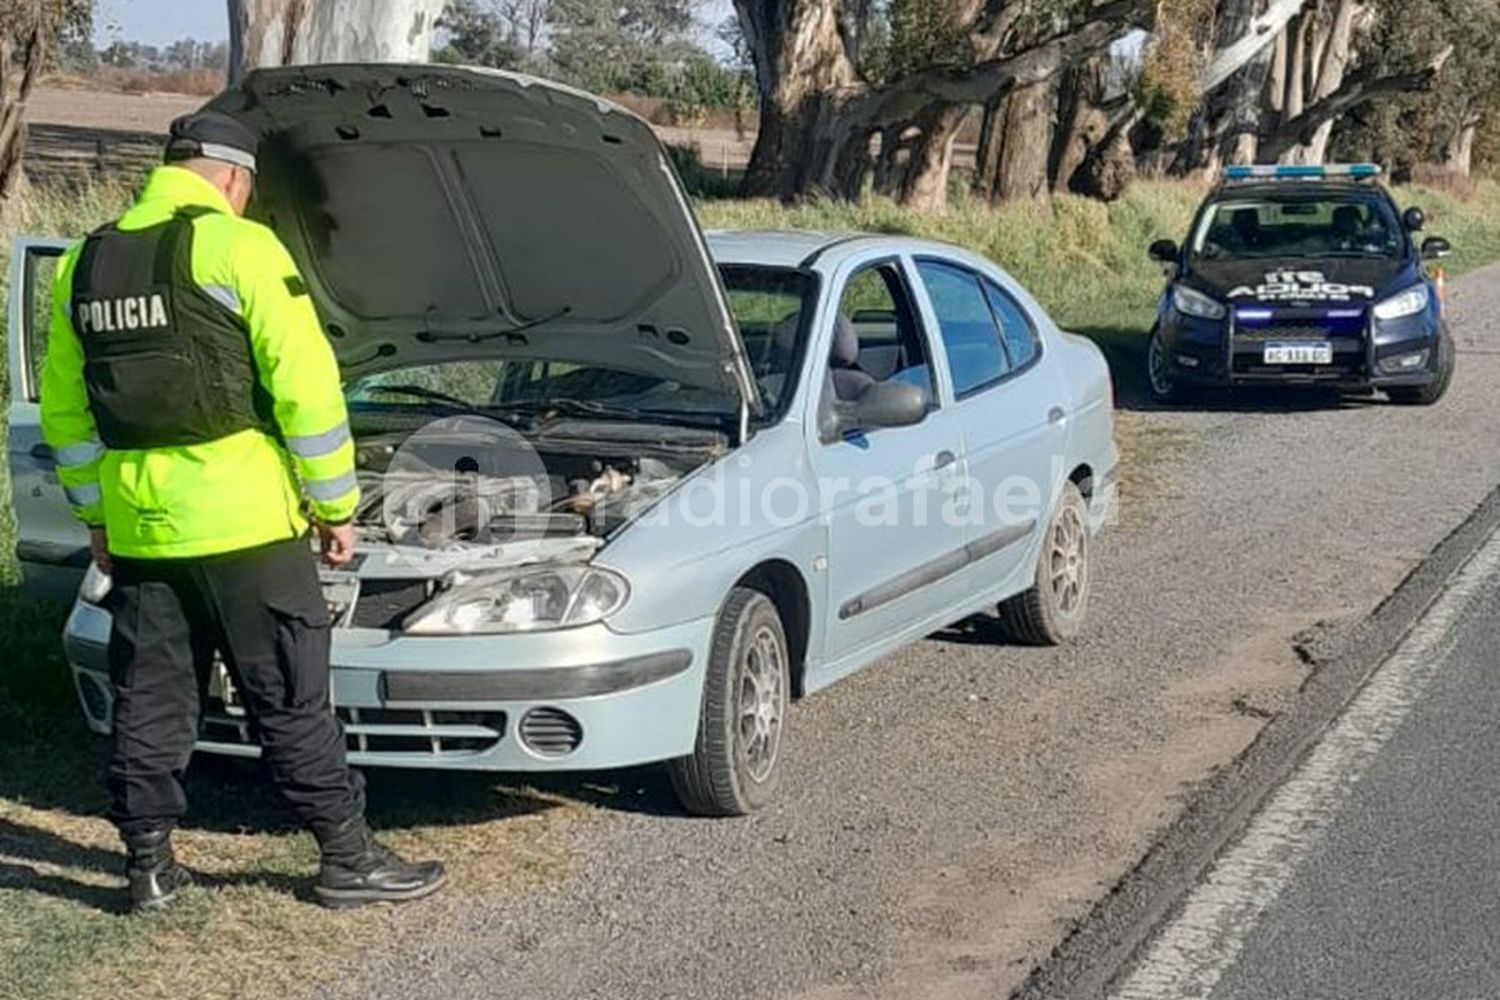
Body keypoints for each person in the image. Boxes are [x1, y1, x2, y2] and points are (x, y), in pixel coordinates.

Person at [38, 111, 447, 912]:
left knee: (149, 699)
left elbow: (65, 413)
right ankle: (346, 855)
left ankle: (148, 865)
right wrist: (335, 504)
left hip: (141, 528)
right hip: (247, 525)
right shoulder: (239, 247)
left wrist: (97, 518)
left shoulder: (83, 262)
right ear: (231, 176)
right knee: (289, 694)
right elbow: (307, 389)